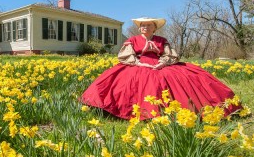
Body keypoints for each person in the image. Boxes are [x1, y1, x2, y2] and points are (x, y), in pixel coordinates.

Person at [81, 17, 241, 120]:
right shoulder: (133, 40)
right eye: (142, 25)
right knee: (127, 81)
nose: (145, 27)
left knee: (185, 78)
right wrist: (139, 63)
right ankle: (132, 111)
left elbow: (170, 55)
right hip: (138, 64)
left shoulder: (161, 40)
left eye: (148, 25)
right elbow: (126, 56)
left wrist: (163, 63)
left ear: (154, 28)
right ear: (139, 28)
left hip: (160, 64)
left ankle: (185, 110)